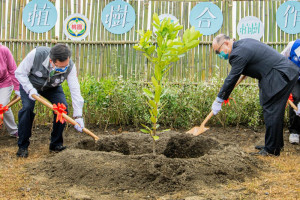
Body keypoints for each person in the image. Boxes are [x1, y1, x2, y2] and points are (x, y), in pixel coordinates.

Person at [211, 34, 298, 156]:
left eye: (218, 51)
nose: (219, 55)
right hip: (283, 73)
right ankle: (275, 145)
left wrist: (219, 99)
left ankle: (271, 149)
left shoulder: (237, 54)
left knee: (271, 110)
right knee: (275, 111)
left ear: (225, 43)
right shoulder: (244, 44)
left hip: (278, 76)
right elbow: (250, 64)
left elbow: (231, 78)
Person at [15, 44, 85, 158]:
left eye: (65, 66)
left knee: (62, 109)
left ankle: (56, 144)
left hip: (52, 87)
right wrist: (30, 89)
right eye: (60, 67)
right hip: (30, 85)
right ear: (51, 61)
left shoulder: (70, 66)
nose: (64, 68)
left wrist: (78, 116)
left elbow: (75, 90)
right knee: (27, 109)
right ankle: (22, 146)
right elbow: (20, 73)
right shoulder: (36, 55)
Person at [281, 39, 300, 145]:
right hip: (295, 78)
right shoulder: (293, 46)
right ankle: (294, 131)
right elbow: (281, 59)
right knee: (295, 98)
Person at [0, 44, 19, 137]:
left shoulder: (4, 50)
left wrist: (17, 88)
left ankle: (14, 131)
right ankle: (13, 129)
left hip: (5, 82)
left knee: (2, 106)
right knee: (5, 107)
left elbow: (13, 70)